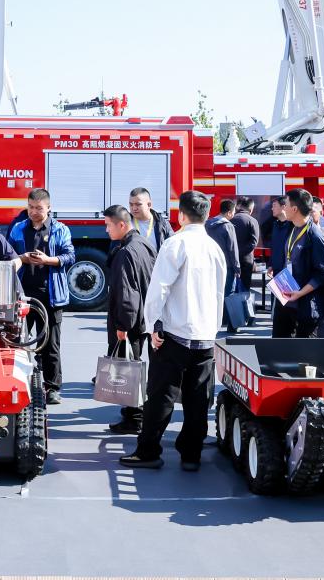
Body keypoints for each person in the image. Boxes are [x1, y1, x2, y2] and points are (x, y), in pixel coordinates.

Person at [119, 191, 226, 471]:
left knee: (161, 396)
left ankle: (148, 451)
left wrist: (153, 324)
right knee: (198, 399)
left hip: (175, 333)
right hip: (205, 334)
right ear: (206, 215)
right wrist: (213, 328)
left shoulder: (175, 243)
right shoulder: (215, 248)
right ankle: (191, 455)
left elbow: (159, 289)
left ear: (181, 214)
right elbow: (219, 293)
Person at [8, 188, 76, 405]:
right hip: (22, 296)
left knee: (50, 345)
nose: (34, 212)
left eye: (38, 208)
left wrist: (48, 260)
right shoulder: (18, 228)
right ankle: (17, 384)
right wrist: (22, 257)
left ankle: (52, 387)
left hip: (51, 295)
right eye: (30, 207)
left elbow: (70, 256)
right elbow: (8, 255)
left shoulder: (60, 229)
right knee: (17, 342)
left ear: (48, 208)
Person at [102, 205, 156, 435]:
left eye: (108, 225)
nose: (106, 230)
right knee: (135, 367)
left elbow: (127, 293)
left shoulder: (125, 253)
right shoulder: (144, 243)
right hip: (144, 316)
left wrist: (123, 325)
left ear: (121, 224)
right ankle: (133, 414)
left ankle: (135, 418)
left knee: (128, 370)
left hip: (130, 321)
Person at [272, 189, 324, 338]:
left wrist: (300, 293)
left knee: (302, 349)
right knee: (279, 346)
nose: (284, 208)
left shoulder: (315, 236)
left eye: (286, 205)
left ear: (294, 209)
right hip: (285, 298)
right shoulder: (292, 228)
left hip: (304, 305)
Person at [204, 199, 241, 295]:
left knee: (212, 293)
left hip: (210, 264)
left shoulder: (207, 224)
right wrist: (237, 268)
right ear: (229, 213)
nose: (234, 214)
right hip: (226, 266)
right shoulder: (228, 226)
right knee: (227, 294)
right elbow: (233, 249)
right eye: (233, 212)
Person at [128, 187, 172, 254]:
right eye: (131, 204)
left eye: (138, 204)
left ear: (149, 205)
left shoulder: (162, 224)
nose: (134, 208)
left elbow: (172, 248)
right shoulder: (125, 222)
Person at [231, 196, 261, 292]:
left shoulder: (230, 219)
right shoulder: (252, 221)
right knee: (244, 290)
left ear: (238, 206)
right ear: (251, 209)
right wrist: (240, 253)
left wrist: (234, 254)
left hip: (230, 261)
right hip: (246, 262)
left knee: (230, 290)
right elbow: (253, 242)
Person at [263, 196, 293, 274]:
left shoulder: (292, 226)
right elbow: (273, 246)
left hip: (288, 269)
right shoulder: (275, 225)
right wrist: (271, 264)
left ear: (283, 207)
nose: (272, 208)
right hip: (276, 268)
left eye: (274, 206)